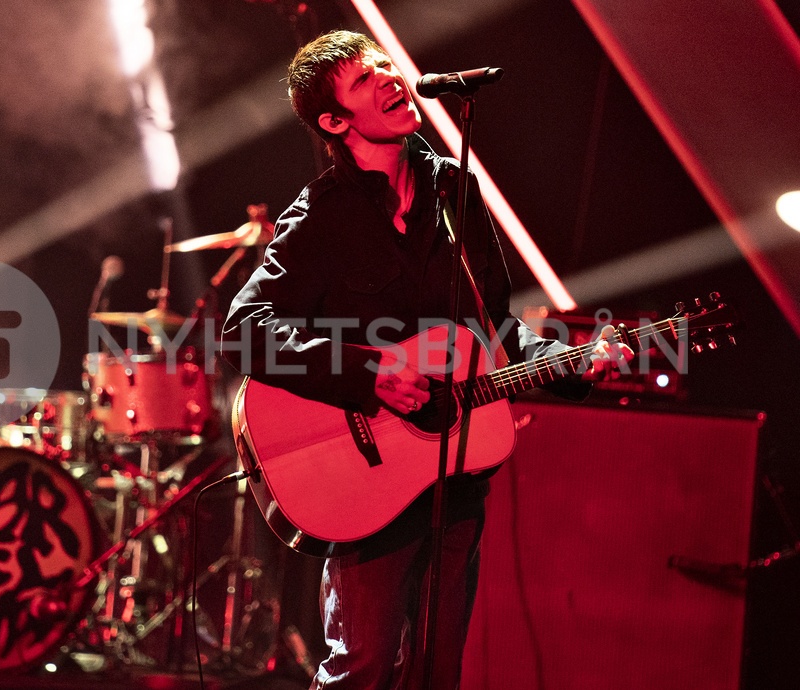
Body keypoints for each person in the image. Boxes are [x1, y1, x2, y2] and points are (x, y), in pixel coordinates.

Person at [220, 30, 632, 689]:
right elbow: (244, 332)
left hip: (456, 477)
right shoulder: (321, 215)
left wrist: (573, 362)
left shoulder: (455, 191)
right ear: (334, 121)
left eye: (386, 65)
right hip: (365, 479)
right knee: (363, 668)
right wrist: (369, 374)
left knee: (437, 672)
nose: (389, 77)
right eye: (364, 78)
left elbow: (496, 332)